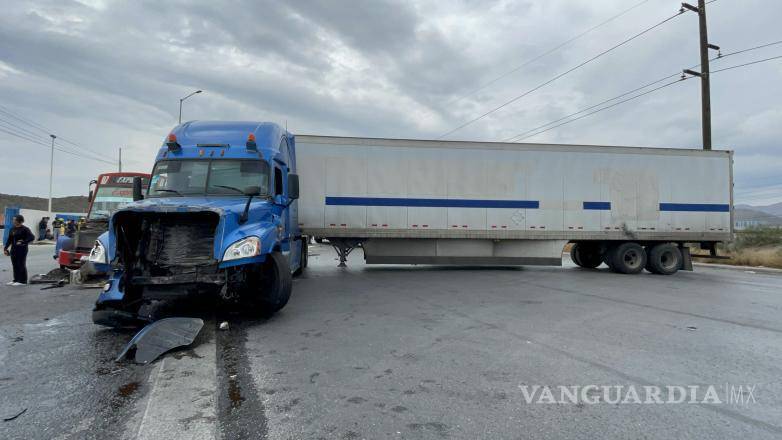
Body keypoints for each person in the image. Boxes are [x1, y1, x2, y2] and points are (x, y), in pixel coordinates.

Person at [4, 215, 35, 285]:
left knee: (21, 264)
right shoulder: (12, 229)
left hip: (22, 249)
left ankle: (22, 281)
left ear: (19, 221)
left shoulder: (25, 229)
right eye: (13, 220)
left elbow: (32, 237)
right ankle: (16, 279)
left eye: (14, 220)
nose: (13, 221)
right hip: (14, 249)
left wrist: (23, 241)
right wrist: (5, 248)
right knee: (15, 265)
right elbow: (9, 240)